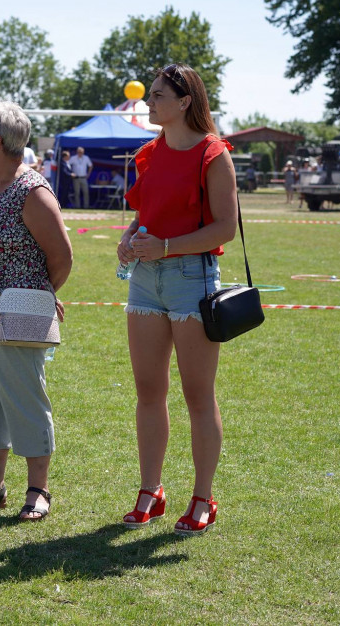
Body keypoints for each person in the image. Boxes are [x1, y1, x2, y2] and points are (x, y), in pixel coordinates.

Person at [118, 63, 237, 536]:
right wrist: (128, 238)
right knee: (149, 391)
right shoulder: (149, 153)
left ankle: (203, 498)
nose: (149, 102)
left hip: (193, 278)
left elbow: (224, 228)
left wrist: (166, 247)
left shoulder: (213, 154)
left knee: (197, 396)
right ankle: (151, 491)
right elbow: (146, 214)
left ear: (185, 101)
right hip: (145, 279)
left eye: (158, 95)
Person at [0, 101, 73, 521]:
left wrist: (40, 294)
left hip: (17, 314)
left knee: (24, 399)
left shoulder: (33, 191)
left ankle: (38, 488)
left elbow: (61, 256)